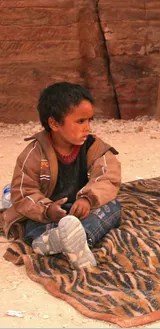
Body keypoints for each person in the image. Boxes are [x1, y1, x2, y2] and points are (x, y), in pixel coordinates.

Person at [1, 82, 122, 269]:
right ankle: (52, 240)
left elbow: (108, 176)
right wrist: (47, 210)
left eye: (90, 120)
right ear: (54, 123)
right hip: (47, 214)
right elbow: (23, 193)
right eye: (80, 121)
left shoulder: (92, 146)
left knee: (113, 208)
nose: (87, 127)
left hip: (79, 209)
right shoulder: (33, 153)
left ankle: (75, 240)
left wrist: (88, 200)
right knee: (30, 224)